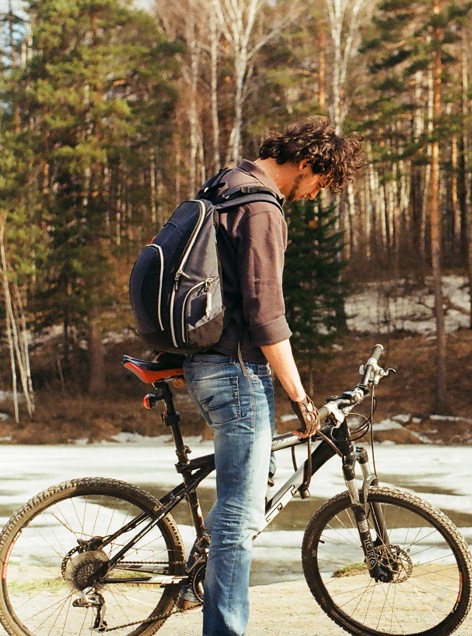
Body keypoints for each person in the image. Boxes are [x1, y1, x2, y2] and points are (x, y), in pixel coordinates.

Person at [180, 116, 365, 636]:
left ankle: (202, 578)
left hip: (205, 362)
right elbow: (266, 316)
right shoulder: (260, 209)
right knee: (238, 520)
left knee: (243, 495)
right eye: (318, 183)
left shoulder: (224, 184)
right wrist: (301, 398)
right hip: (236, 370)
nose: (313, 195)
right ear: (305, 164)